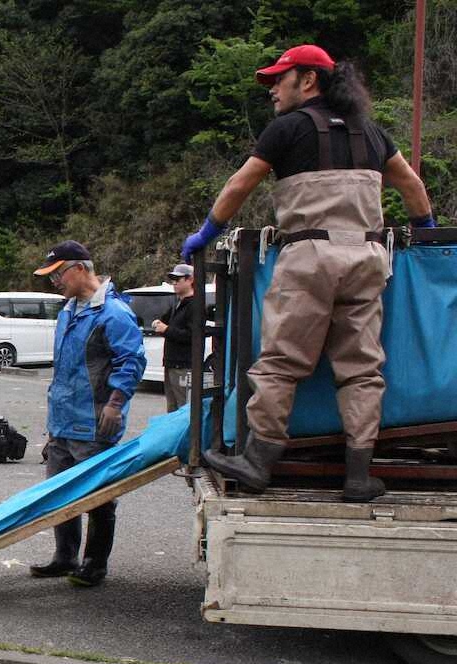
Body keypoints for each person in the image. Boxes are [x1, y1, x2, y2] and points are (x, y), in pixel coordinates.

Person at [182, 44, 435, 503]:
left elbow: (241, 183)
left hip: (310, 259)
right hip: (367, 258)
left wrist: (207, 231)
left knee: (282, 362)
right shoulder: (372, 133)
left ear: (308, 80)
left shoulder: (287, 130)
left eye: (280, 79)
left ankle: (258, 461)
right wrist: (427, 230)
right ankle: (358, 475)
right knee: (361, 370)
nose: (273, 89)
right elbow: (413, 187)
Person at [29, 241, 146, 587]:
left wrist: (115, 403)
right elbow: (64, 371)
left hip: (95, 423)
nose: (55, 283)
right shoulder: (68, 310)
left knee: (99, 495)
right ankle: (64, 557)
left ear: (80, 269)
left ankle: (95, 563)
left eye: (58, 274)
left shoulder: (113, 313)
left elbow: (132, 361)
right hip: (64, 422)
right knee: (58, 493)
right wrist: (53, 428)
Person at [151, 263, 196, 412]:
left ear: (190, 280)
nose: (174, 283)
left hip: (183, 366)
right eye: (173, 280)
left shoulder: (194, 305)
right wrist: (159, 324)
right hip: (170, 364)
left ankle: (188, 436)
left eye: (178, 279)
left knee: (184, 409)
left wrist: (166, 329)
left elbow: (192, 335)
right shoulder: (177, 303)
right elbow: (166, 325)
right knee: (172, 408)